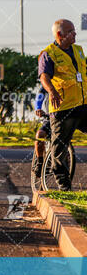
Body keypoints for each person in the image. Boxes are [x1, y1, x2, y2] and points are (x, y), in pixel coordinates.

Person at [38, 19, 87, 190]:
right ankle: (64, 185)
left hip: (83, 104)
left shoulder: (79, 50)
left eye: (74, 31)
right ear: (60, 34)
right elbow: (44, 76)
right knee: (59, 148)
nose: (75, 34)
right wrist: (51, 91)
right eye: (71, 31)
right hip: (63, 108)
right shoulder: (48, 54)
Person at [31, 85, 50, 178]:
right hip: (51, 118)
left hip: (67, 118)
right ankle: (40, 162)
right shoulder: (50, 80)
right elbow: (41, 94)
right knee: (40, 134)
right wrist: (38, 108)